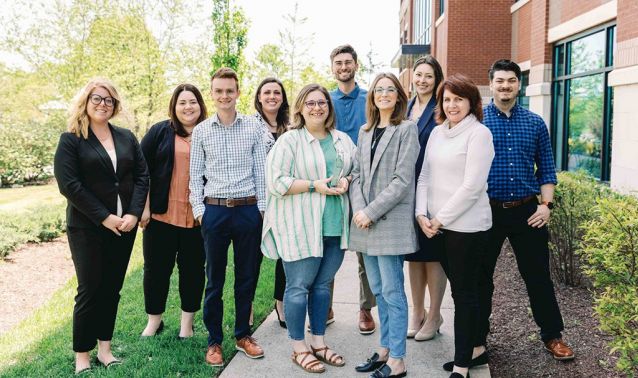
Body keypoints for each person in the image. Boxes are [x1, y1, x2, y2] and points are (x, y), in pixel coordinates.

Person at [470, 59, 574, 369]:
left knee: (538, 276)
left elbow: (547, 168)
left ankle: (552, 335)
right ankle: (477, 338)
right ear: (491, 84)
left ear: (519, 84)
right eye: (500, 81)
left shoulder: (535, 122)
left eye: (511, 81)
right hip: (485, 212)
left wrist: (547, 206)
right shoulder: (475, 122)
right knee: (480, 279)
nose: (505, 86)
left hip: (528, 211)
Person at [54, 78, 149, 374]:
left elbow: (142, 176)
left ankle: (105, 349)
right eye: (97, 98)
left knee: (112, 289)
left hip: (124, 227)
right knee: (90, 289)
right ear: (85, 101)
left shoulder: (125, 137)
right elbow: (70, 185)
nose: (102, 104)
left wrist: (133, 214)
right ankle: (82, 355)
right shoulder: (71, 139)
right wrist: (105, 217)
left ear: (115, 105)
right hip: (88, 228)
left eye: (108, 100)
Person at [261, 83, 356, 373]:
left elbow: (355, 170)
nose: (317, 107)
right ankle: (298, 346)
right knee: (298, 287)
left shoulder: (341, 140)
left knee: (323, 286)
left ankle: (319, 341)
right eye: (311, 103)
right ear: (301, 108)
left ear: (329, 107)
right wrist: (315, 186)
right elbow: (277, 182)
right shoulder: (289, 141)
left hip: (334, 225)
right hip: (300, 226)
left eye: (322, 102)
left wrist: (347, 181)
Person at [415, 74, 494, 378]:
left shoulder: (479, 134)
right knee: (462, 293)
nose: (451, 105)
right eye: (446, 99)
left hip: (467, 229)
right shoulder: (437, 133)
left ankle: (462, 365)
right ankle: (473, 350)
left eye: (458, 99)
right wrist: (422, 214)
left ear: (472, 102)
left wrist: (438, 218)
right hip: (437, 227)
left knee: (464, 295)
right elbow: (425, 177)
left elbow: (472, 187)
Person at [189, 67, 267, 367]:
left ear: (238, 92)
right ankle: (214, 341)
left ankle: (242, 335)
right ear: (213, 93)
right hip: (215, 211)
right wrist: (200, 212)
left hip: (248, 210)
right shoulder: (202, 131)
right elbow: (195, 178)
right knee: (215, 281)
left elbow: (261, 172)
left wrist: (261, 210)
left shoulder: (253, 128)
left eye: (229, 90)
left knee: (246, 277)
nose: (224, 96)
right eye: (219, 91)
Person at [350, 73, 419, 378]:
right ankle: (384, 350)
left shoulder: (407, 129)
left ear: (399, 96)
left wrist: (371, 212)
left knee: (393, 291)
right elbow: (355, 176)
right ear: (373, 96)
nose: (384, 94)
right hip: (365, 223)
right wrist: (359, 210)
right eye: (379, 90)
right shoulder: (365, 132)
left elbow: (402, 181)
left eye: (390, 89)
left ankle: (399, 360)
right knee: (378, 290)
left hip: (388, 222)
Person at [139, 84, 208, 339]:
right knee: (156, 272)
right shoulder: (160, 131)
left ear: (200, 105)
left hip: (197, 219)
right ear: (174, 106)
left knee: (192, 273)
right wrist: (143, 208)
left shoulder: (210, 132)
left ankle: (186, 326)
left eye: (192, 101)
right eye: (182, 102)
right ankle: (154, 321)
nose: (188, 107)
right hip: (161, 217)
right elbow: (141, 170)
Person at [329, 44, 376, 334]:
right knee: (330, 249)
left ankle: (365, 308)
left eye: (348, 62)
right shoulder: (325, 99)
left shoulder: (370, 98)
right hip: (331, 185)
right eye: (338, 63)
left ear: (356, 65)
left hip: (363, 184)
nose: (343, 67)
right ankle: (326, 304)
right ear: (332, 67)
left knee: (364, 251)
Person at [403, 55, 448, 342]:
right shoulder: (407, 106)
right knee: (413, 256)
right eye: (418, 74)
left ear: (437, 79)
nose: (422, 80)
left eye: (428, 76)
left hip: (433, 189)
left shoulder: (441, 109)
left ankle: (435, 315)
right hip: (407, 190)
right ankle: (417, 311)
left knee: (433, 256)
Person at [253, 77, 290, 328]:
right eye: (267, 92)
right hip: (256, 199)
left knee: (285, 256)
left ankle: (281, 303)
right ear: (259, 97)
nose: (272, 96)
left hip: (286, 199)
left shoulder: (293, 125)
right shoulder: (249, 125)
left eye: (277, 92)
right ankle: (247, 308)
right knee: (251, 256)